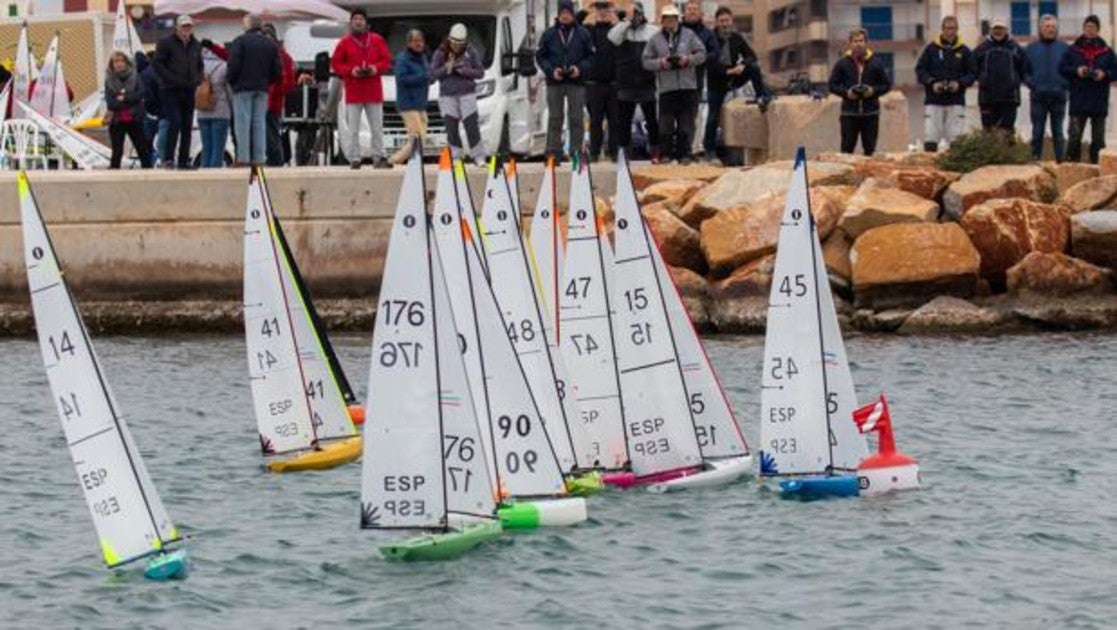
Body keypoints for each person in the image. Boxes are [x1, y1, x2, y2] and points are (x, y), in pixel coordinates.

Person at [642, 4, 706, 164]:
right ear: (662, 20)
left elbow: (702, 54)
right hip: (666, 88)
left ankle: (685, 154)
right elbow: (645, 61)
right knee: (665, 125)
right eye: (667, 18)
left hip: (687, 87)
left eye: (673, 18)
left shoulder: (689, 35)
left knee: (686, 124)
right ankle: (666, 154)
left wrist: (688, 60)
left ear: (678, 19)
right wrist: (662, 63)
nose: (670, 21)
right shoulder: (655, 39)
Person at [331, 8, 393, 169]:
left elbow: (386, 60)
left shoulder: (376, 40)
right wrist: (350, 70)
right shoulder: (344, 42)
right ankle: (355, 158)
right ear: (351, 23)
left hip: (373, 90)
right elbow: (336, 64)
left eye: (361, 19)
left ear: (366, 23)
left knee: (377, 127)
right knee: (354, 129)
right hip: (354, 90)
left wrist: (375, 68)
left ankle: (379, 157)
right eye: (355, 19)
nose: (358, 21)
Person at [704, 6, 766, 163]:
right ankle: (709, 151)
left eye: (727, 20)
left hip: (734, 77)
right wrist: (729, 71)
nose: (724, 24)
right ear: (717, 23)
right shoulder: (710, 38)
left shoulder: (737, 38)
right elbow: (709, 62)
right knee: (713, 116)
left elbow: (752, 55)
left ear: (731, 21)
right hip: (717, 80)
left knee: (753, 68)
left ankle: (761, 96)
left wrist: (743, 64)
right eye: (721, 21)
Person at [536, 0, 595, 160]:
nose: (565, 16)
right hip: (555, 81)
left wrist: (580, 69)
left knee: (576, 117)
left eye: (568, 13)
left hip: (576, 82)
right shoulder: (549, 34)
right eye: (562, 13)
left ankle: (576, 152)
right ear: (558, 14)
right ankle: (553, 152)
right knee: (555, 117)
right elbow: (540, 56)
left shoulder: (583, 33)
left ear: (572, 14)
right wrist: (551, 70)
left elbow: (591, 56)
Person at [1061, 15, 1117, 164]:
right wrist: (1077, 71)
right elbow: (1062, 68)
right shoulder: (1072, 49)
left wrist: (1105, 74)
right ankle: (1072, 168)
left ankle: (1097, 169)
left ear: (1098, 30)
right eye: (1087, 27)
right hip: (1078, 100)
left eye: (1093, 27)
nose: (1090, 30)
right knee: (1074, 138)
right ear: (1083, 28)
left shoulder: (1107, 51)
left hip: (1099, 101)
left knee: (1098, 139)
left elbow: (1115, 71)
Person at [915, 16, 975, 152]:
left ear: (957, 29)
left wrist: (959, 84)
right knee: (930, 138)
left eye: (953, 28)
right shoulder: (931, 49)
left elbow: (972, 73)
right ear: (942, 29)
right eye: (947, 28)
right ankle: (930, 171)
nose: (950, 31)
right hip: (934, 100)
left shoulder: (964, 51)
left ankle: (955, 170)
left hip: (956, 100)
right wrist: (932, 83)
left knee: (957, 140)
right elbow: (920, 70)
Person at [429, 24, 487, 164]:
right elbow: (431, 77)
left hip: (467, 93)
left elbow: (480, 72)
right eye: (454, 42)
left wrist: (464, 71)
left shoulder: (470, 51)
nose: (456, 46)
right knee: (451, 126)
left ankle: (478, 155)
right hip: (447, 95)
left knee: (471, 125)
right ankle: (456, 156)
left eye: (460, 43)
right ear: (449, 39)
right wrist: (446, 68)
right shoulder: (440, 53)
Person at [828, 29, 892, 156]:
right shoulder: (842, 63)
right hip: (849, 114)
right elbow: (832, 85)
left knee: (870, 151)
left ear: (866, 42)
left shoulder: (876, 63)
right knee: (846, 151)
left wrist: (873, 91)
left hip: (870, 114)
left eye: (861, 41)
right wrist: (847, 93)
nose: (858, 44)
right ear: (850, 43)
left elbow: (886, 85)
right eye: (855, 41)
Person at [227, 14, 280, 167]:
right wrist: (266, 82)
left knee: (242, 123)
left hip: (242, 88)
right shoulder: (270, 44)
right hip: (262, 88)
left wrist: (232, 80)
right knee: (259, 123)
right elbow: (277, 70)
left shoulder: (239, 42)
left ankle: (243, 158)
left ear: (248, 25)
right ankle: (259, 158)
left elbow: (233, 65)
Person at [609, 3, 660, 161]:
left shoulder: (652, 31)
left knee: (652, 120)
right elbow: (612, 38)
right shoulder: (622, 30)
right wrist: (626, 22)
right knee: (624, 121)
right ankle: (624, 151)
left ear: (643, 14)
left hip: (648, 82)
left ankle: (655, 150)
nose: (636, 17)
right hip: (626, 83)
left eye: (638, 14)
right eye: (633, 14)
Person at [152, 15, 203, 169]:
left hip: (189, 89)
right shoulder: (166, 43)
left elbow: (199, 64)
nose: (186, 30)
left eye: (188, 27)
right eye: (183, 27)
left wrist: (197, 78)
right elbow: (157, 64)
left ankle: (183, 159)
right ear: (177, 28)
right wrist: (170, 79)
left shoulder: (196, 44)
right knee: (174, 122)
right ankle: (168, 158)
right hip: (170, 90)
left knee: (187, 126)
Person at [1024, 15, 1070, 161]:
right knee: (1037, 133)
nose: (1050, 29)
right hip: (1038, 97)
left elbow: (1071, 70)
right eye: (1047, 27)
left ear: (1056, 29)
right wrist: (1033, 86)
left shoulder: (1065, 48)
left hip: (1059, 97)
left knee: (1059, 133)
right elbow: (1023, 72)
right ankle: (1034, 163)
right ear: (1040, 29)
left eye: (1052, 27)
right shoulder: (1030, 48)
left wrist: (1064, 85)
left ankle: (1061, 165)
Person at [973, 18, 1027, 132]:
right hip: (987, 99)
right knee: (988, 133)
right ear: (991, 30)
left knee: (1007, 133)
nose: (998, 31)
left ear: (1006, 30)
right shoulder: (981, 49)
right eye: (995, 28)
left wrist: (1015, 81)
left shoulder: (1016, 48)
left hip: (1010, 99)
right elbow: (972, 68)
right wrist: (982, 79)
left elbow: (1025, 69)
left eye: (1001, 28)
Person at [103, 51, 152, 169]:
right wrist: (130, 102)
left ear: (126, 62)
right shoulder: (109, 80)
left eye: (121, 61)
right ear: (112, 64)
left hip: (134, 118)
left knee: (142, 149)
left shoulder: (135, 76)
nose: (119, 64)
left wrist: (124, 98)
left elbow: (140, 94)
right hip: (117, 119)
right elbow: (111, 103)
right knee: (117, 151)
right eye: (116, 61)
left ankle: (149, 175)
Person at [681, 0, 717, 158]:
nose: (692, 12)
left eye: (695, 9)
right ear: (684, 12)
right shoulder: (676, 29)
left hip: (696, 79)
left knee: (693, 116)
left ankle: (691, 149)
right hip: (673, 79)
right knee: (673, 115)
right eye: (689, 9)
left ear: (700, 13)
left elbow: (714, 53)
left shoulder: (707, 33)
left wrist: (697, 59)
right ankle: (673, 150)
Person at [585, 1, 618, 162]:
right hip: (594, 84)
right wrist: (588, 14)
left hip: (613, 83)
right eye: (599, 9)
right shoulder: (589, 30)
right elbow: (577, 23)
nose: (602, 12)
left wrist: (615, 14)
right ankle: (594, 152)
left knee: (614, 121)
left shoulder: (615, 30)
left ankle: (614, 152)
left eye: (605, 8)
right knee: (595, 121)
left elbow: (625, 21)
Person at [391, 29, 430, 164]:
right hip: (408, 103)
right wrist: (423, 77)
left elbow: (427, 76)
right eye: (415, 41)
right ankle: (395, 160)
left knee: (421, 137)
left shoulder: (423, 57)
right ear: (409, 43)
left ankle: (409, 159)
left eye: (421, 41)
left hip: (420, 103)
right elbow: (401, 79)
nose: (419, 44)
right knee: (417, 137)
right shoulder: (403, 59)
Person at [263, 23, 298, 167]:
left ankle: (276, 160)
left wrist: (276, 89)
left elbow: (288, 83)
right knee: (270, 132)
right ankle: (274, 159)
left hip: (273, 101)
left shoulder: (283, 57)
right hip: (266, 100)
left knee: (271, 132)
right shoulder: (281, 55)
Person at [196, 47, 232, 168]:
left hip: (202, 111)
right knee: (218, 148)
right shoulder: (224, 67)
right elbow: (229, 91)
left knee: (206, 147)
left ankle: (204, 175)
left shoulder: (198, 67)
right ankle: (215, 174)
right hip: (221, 112)